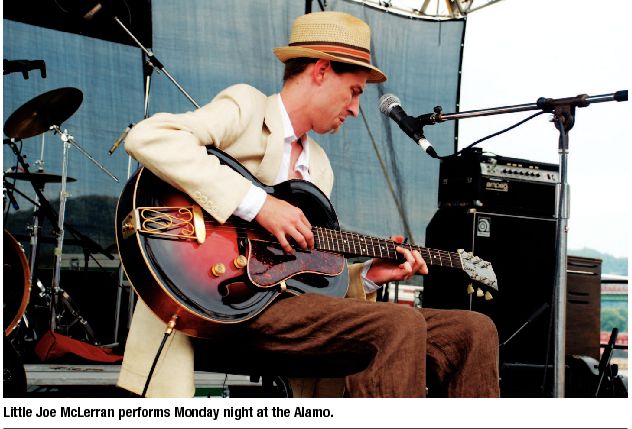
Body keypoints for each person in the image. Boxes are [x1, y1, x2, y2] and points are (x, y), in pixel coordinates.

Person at [117, 10, 499, 398]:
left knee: (473, 330)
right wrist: (259, 205)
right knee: (399, 323)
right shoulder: (247, 108)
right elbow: (150, 138)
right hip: (227, 300)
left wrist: (368, 276)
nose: (355, 109)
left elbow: (305, 272)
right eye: (354, 91)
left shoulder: (319, 166)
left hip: (289, 309)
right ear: (321, 71)